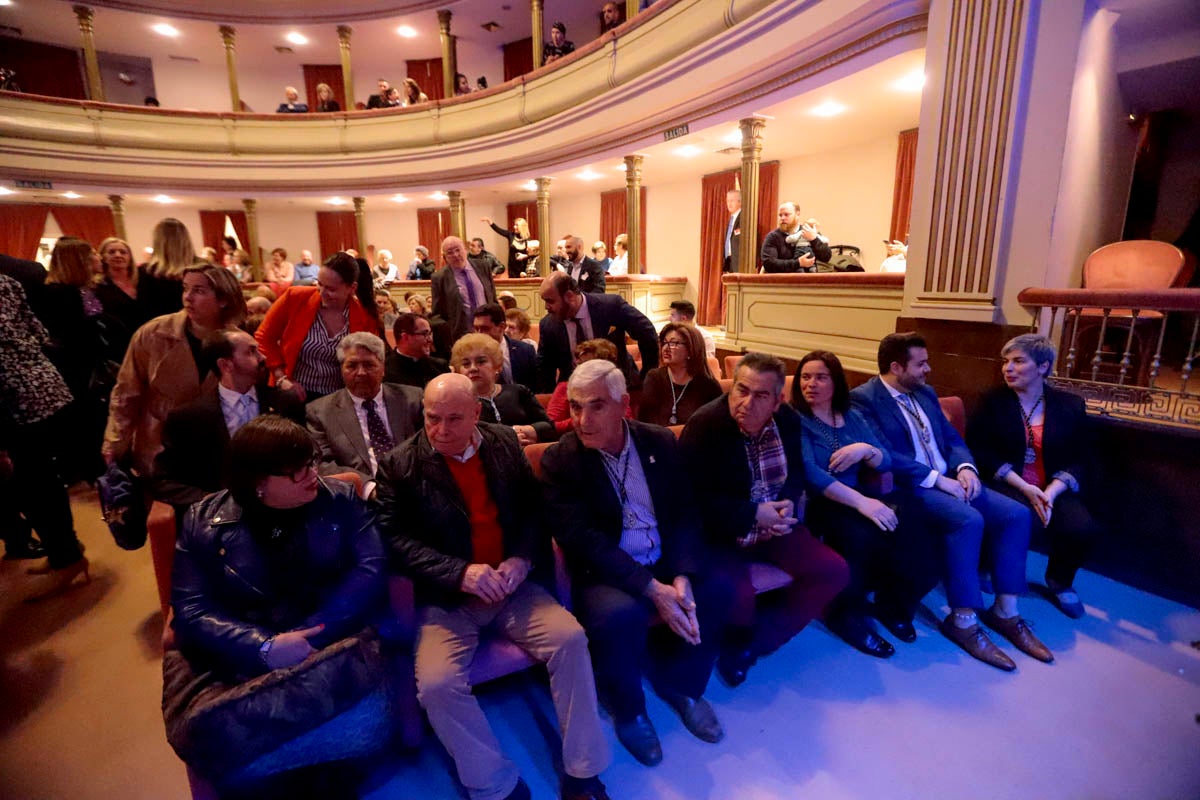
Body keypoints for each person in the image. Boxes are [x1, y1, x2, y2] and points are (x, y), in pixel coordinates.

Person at [375, 374, 611, 800]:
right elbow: (394, 540)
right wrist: (459, 572)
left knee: (571, 639)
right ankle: (494, 784)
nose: (441, 431)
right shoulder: (399, 464)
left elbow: (532, 513)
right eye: (433, 419)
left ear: (477, 414)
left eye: (453, 419)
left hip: (511, 587)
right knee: (437, 684)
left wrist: (522, 559)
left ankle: (583, 770)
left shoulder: (502, 444)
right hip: (448, 600)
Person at [164, 416, 387, 793]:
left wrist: (312, 635)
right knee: (209, 732)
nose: (311, 475)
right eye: (295, 471)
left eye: (311, 462)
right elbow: (190, 609)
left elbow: (370, 568)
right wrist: (264, 647)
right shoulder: (204, 521)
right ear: (258, 484)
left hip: (325, 642)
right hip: (242, 659)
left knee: (368, 718)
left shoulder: (339, 500)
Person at [540, 360, 731, 766]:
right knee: (620, 616)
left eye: (595, 406)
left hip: (663, 556)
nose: (581, 419)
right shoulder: (561, 460)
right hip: (608, 569)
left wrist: (680, 576)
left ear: (624, 404)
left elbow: (684, 512)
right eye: (575, 407)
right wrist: (652, 589)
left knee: (715, 590)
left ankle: (683, 685)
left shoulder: (659, 442)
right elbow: (581, 540)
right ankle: (629, 710)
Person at [851, 333, 1049, 670]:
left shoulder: (925, 392)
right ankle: (963, 620)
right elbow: (884, 455)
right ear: (897, 367)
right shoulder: (863, 400)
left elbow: (952, 438)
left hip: (953, 480)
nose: (929, 369)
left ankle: (1006, 612)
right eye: (921, 363)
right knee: (968, 520)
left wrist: (966, 468)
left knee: (1016, 514)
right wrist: (937, 479)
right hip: (912, 487)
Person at [680, 353, 850, 684]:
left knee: (833, 571)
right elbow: (689, 501)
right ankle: (737, 642)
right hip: (721, 532)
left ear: (777, 400)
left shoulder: (787, 420)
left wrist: (787, 500)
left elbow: (796, 471)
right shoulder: (705, 425)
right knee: (736, 594)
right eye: (741, 390)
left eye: (760, 396)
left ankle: (753, 644)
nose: (746, 402)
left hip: (775, 524)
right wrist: (753, 513)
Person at [792, 350, 940, 658]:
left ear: (836, 382)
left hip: (862, 493)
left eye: (821, 377)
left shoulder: (851, 415)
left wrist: (864, 450)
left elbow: (885, 458)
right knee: (861, 536)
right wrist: (862, 503)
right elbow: (810, 473)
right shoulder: (795, 419)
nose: (811, 384)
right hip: (825, 502)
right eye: (805, 377)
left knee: (914, 518)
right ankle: (845, 615)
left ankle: (894, 603)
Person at [967, 334, 1100, 619]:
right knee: (1018, 516)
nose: (1008, 368)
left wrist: (1051, 491)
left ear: (1043, 366)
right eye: (1006, 362)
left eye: (1018, 361)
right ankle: (987, 566)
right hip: (1009, 481)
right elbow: (980, 449)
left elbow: (1082, 456)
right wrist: (1025, 487)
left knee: (1081, 527)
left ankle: (1059, 581)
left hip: (1053, 485)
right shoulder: (992, 401)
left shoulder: (1070, 405)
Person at [105, 264, 247, 478]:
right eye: (185, 288)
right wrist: (114, 442)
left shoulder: (238, 342)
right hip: (159, 445)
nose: (188, 297)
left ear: (223, 299)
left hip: (215, 451)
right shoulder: (153, 333)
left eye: (199, 291)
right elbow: (126, 393)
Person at [0, 274, 89, 599]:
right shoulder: (8, 281)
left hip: (14, 396)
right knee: (38, 478)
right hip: (39, 384)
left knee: (32, 481)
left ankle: (66, 555)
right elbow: (38, 332)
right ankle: (63, 550)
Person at [153, 329, 303, 520]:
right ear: (226, 365)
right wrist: (209, 501)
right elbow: (163, 480)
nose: (263, 357)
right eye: (251, 352)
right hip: (221, 521)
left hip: (284, 512)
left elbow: (306, 457)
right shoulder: (187, 418)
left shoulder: (285, 403)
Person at [306, 332, 423, 495]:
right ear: (342, 369)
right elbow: (323, 463)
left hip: (414, 489)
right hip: (361, 499)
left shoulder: (413, 399)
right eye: (352, 366)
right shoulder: (320, 412)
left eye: (368, 365)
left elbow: (427, 448)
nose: (360, 372)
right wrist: (368, 488)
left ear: (383, 367)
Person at [255, 252, 377, 403]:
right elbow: (264, 337)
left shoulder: (364, 316)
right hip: (295, 391)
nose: (322, 292)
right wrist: (281, 377)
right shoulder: (295, 297)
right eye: (319, 284)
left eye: (331, 289)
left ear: (352, 288)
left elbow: (370, 360)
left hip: (339, 397)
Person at [33, 237, 107, 482]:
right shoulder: (60, 294)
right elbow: (76, 335)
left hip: (82, 365)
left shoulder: (81, 290)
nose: (98, 259)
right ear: (78, 261)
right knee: (84, 421)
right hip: (76, 368)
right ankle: (91, 469)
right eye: (91, 255)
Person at [535, 272, 657, 392]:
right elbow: (544, 369)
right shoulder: (548, 325)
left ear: (569, 296)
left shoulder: (611, 306)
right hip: (575, 392)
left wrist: (647, 377)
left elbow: (647, 332)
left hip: (620, 387)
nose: (546, 307)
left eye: (550, 301)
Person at [451, 333, 553, 446]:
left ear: (497, 366)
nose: (473, 368)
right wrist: (507, 439)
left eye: (481, 361)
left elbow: (549, 427)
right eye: (466, 364)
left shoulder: (518, 391)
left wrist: (529, 430)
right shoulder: (459, 403)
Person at [638, 323, 721, 427]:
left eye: (673, 343)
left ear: (690, 349)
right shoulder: (654, 378)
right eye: (664, 343)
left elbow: (716, 427)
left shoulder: (708, 386)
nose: (666, 348)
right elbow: (643, 420)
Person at [545, 338, 631, 436]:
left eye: (586, 365)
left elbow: (625, 419)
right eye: (579, 364)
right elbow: (551, 425)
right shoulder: (565, 388)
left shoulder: (613, 387)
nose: (579, 369)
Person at [431, 236, 497, 344]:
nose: (456, 255)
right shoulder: (439, 278)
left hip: (488, 330)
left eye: (458, 250)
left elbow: (492, 298)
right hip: (460, 335)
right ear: (444, 257)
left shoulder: (483, 266)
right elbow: (437, 313)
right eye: (450, 252)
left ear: (465, 250)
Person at [138, 217, 206, 319]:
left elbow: (144, 310)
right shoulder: (203, 266)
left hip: (159, 328)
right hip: (199, 326)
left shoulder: (146, 271)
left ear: (158, 241)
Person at [93, 236, 143, 360]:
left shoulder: (144, 280)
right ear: (103, 257)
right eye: (111, 252)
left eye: (123, 252)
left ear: (129, 257)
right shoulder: (97, 287)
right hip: (119, 347)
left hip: (148, 340)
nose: (118, 255)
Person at [472, 302, 537, 391]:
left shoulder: (525, 350)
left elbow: (537, 386)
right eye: (476, 328)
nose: (479, 334)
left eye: (485, 328)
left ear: (502, 327)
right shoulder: (471, 355)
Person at [760, 202, 832, 273]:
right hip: (783, 282)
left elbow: (826, 257)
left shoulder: (809, 231)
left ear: (797, 214)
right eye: (780, 215)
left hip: (809, 281)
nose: (782, 218)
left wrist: (814, 240)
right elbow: (769, 264)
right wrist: (798, 263)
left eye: (786, 214)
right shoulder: (773, 237)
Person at [385, 312, 450, 388]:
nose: (430, 340)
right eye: (425, 334)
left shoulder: (439, 367)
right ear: (405, 337)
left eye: (430, 334)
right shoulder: (386, 371)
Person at [722, 189, 742, 273]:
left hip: (740, 264)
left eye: (732, 201)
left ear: (739, 202)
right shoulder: (731, 219)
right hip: (729, 263)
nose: (729, 204)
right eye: (727, 201)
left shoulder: (744, 218)